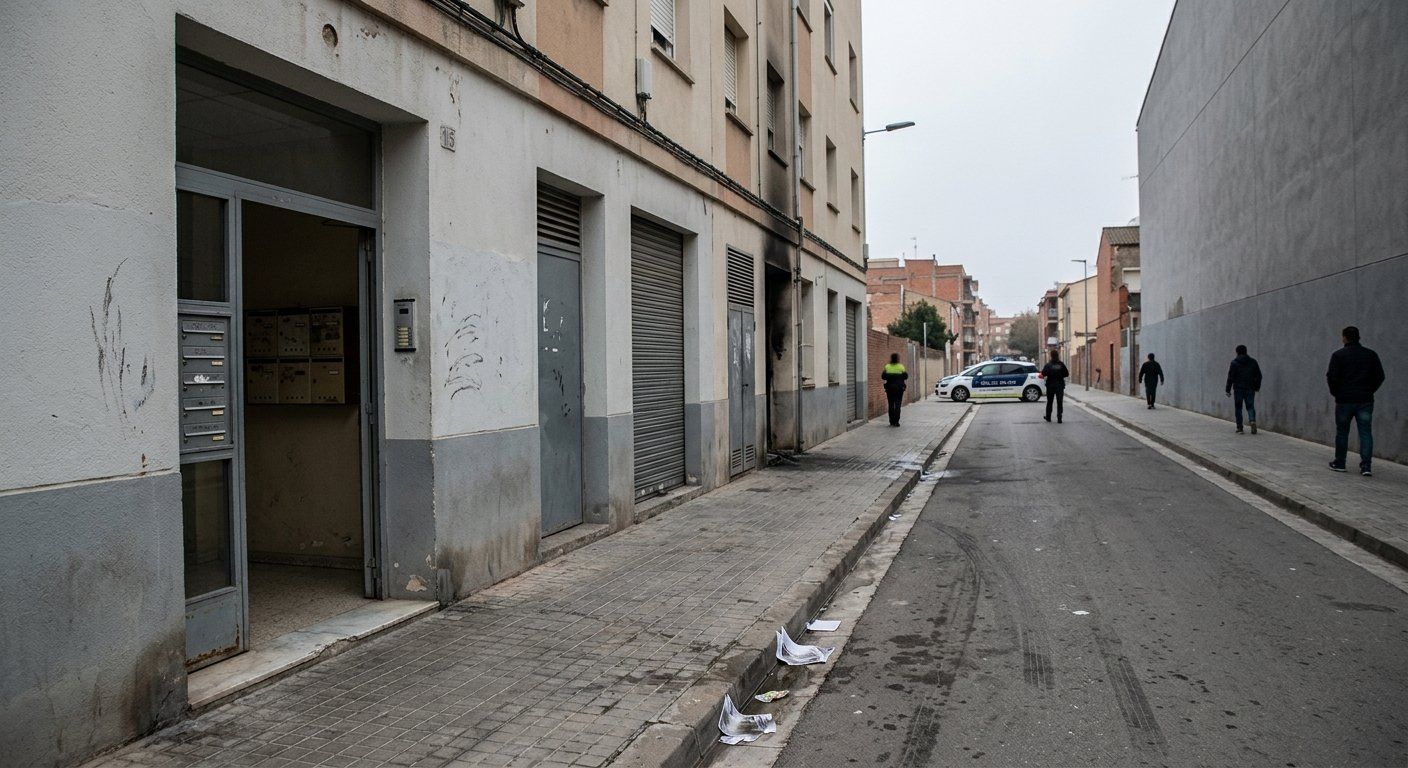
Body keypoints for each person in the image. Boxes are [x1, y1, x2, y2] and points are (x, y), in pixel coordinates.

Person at [1326, 326, 1385, 476]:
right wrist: (1370, 390)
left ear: (1344, 337)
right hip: (1365, 400)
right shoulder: (1370, 355)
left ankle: (1340, 462)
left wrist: (1336, 393)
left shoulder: (1338, 355)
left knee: (1342, 432)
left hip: (1344, 400)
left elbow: (1332, 377)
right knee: (1365, 432)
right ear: (1358, 337)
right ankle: (1366, 466)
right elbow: (1380, 376)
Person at [1225, 344, 1263, 434]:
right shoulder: (1253, 362)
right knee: (1250, 406)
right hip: (1250, 388)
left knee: (1238, 408)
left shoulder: (1234, 363)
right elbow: (1259, 375)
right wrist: (1257, 387)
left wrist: (1228, 390)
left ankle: (1240, 428)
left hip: (1238, 389)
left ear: (1237, 352)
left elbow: (1230, 377)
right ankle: (1252, 421)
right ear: (1246, 351)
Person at [881, 353, 909, 427]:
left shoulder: (887, 366)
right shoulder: (901, 367)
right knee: (898, 405)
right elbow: (906, 376)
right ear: (897, 359)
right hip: (899, 389)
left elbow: (883, 376)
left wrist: (890, 376)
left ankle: (891, 421)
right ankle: (896, 422)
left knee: (890, 405)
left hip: (890, 389)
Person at [1042, 350, 1069, 423]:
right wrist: (1060, 375)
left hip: (1050, 385)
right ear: (1058, 355)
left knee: (1049, 402)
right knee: (1059, 402)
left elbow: (1043, 373)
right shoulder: (1061, 364)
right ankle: (1059, 418)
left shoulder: (1048, 365)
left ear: (1051, 356)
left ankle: (1048, 417)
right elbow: (1066, 374)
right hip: (1060, 385)